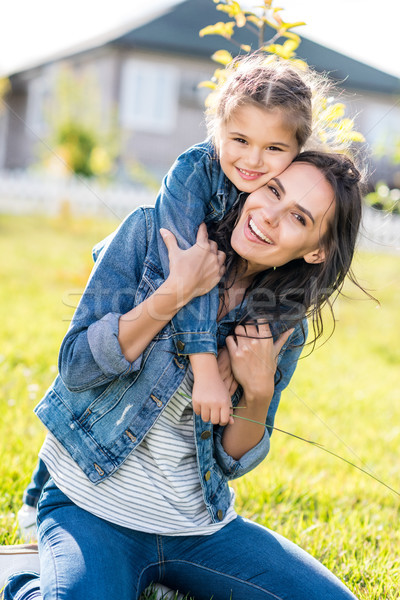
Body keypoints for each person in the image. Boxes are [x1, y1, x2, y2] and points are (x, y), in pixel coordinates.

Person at [1, 150, 364, 600]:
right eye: (273, 190)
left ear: (316, 250)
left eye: (298, 217)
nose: (269, 216)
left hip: (197, 529)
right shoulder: (153, 235)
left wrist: (257, 392)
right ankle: (23, 585)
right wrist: (175, 292)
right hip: (89, 507)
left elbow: (232, 460)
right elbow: (76, 366)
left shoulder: (282, 323)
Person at [17, 54, 328, 528]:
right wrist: (205, 365)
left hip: (187, 511)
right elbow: (189, 272)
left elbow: (233, 460)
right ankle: (41, 500)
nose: (252, 162)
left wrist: (255, 388)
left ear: (297, 152)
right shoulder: (190, 178)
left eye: (274, 150)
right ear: (217, 130)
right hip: (90, 462)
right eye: (239, 140)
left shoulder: (281, 303)